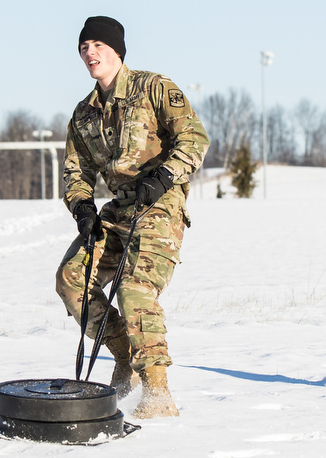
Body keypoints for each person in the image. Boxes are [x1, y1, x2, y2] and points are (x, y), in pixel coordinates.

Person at [55, 16, 209, 419]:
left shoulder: (153, 87)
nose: (90, 52)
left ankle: (158, 394)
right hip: (118, 209)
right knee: (71, 280)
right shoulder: (84, 113)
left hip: (159, 205)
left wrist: (161, 178)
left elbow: (194, 140)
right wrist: (82, 207)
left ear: (117, 51)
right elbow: (76, 170)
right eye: (84, 46)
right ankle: (124, 359)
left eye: (98, 45)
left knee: (134, 288)